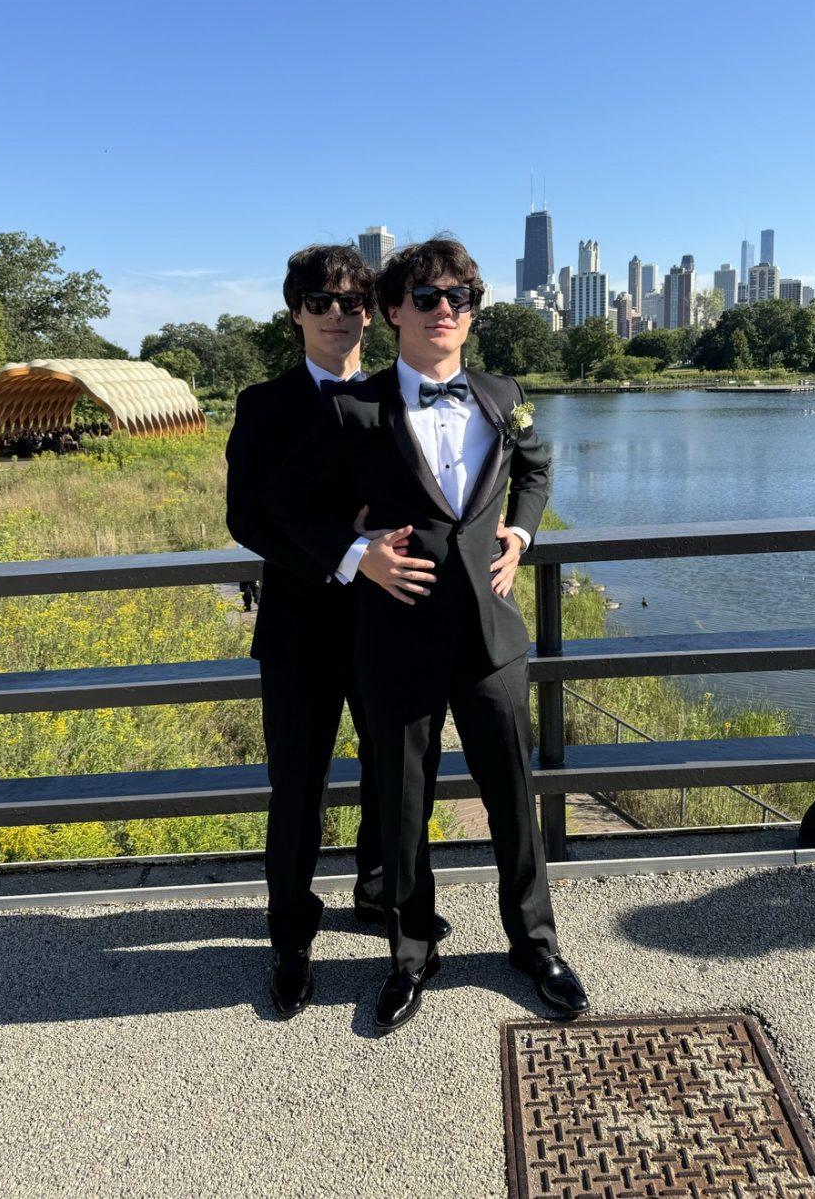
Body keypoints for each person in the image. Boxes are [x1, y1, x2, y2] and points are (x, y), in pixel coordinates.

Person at [266, 237, 589, 1033]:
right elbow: (282, 505)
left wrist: (521, 534)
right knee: (404, 809)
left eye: (462, 296)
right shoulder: (355, 407)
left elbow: (538, 466)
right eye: (428, 295)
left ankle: (536, 943)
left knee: (514, 799)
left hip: (490, 638)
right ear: (395, 310)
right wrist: (354, 554)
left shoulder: (501, 393)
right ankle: (411, 954)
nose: (446, 307)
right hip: (396, 640)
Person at [226, 243, 449, 1020]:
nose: (336, 316)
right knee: (298, 788)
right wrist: (351, 551)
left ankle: (382, 897)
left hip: (391, 627)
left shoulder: (400, 394)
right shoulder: (264, 405)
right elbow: (245, 516)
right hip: (300, 628)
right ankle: (290, 939)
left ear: (371, 313)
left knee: (395, 775)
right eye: (318, 302)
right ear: (295, 311)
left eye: (350, 302)